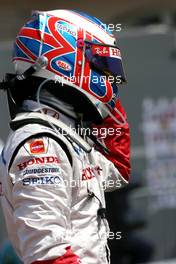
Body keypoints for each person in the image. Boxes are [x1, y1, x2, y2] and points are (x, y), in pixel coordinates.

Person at [0, 10, 130, 264]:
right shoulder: (41, 143)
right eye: (102, 65)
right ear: (65, 60)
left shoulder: (63, 134)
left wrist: (105, 104)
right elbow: (47, 254)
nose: (111, 77)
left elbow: (118, 171)